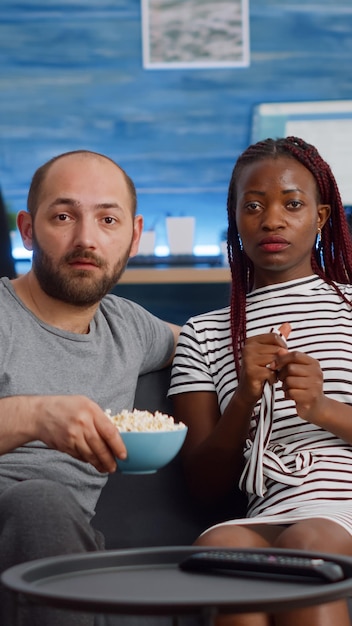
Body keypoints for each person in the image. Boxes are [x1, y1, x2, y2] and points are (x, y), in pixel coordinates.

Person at [168, 136, 352, 626]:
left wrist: (323, 409)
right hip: (267, 510)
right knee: (221, 547)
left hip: (342, 506)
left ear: (321, 218)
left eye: (293, 204)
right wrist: (246, 396)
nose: (272, 219)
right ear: (235, 220)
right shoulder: (204, 334)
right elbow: (204, 486)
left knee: (307, 545)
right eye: (253, 206)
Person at [0, 149, 180, 626]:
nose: (86, 238)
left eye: (107, 219)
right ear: (27, 228)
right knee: (38, 500)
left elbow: (209, 345)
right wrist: (35, 416)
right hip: (25, 529)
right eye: (63, 216)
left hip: (63, 550)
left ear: (134, 235)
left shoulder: (129, 327)